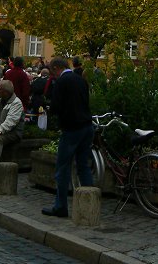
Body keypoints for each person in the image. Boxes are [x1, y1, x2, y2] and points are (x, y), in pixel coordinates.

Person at [41, 56, 93, 218]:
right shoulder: (80, 80)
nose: (52, 76)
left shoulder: (62, 82)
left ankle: (60, 206)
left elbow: (56, 106)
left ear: (56, 68)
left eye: (52, 73)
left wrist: (50, 110)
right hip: (87, 126)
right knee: (83, 166)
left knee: (63, 168)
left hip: (71, 128)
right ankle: (89, 203)